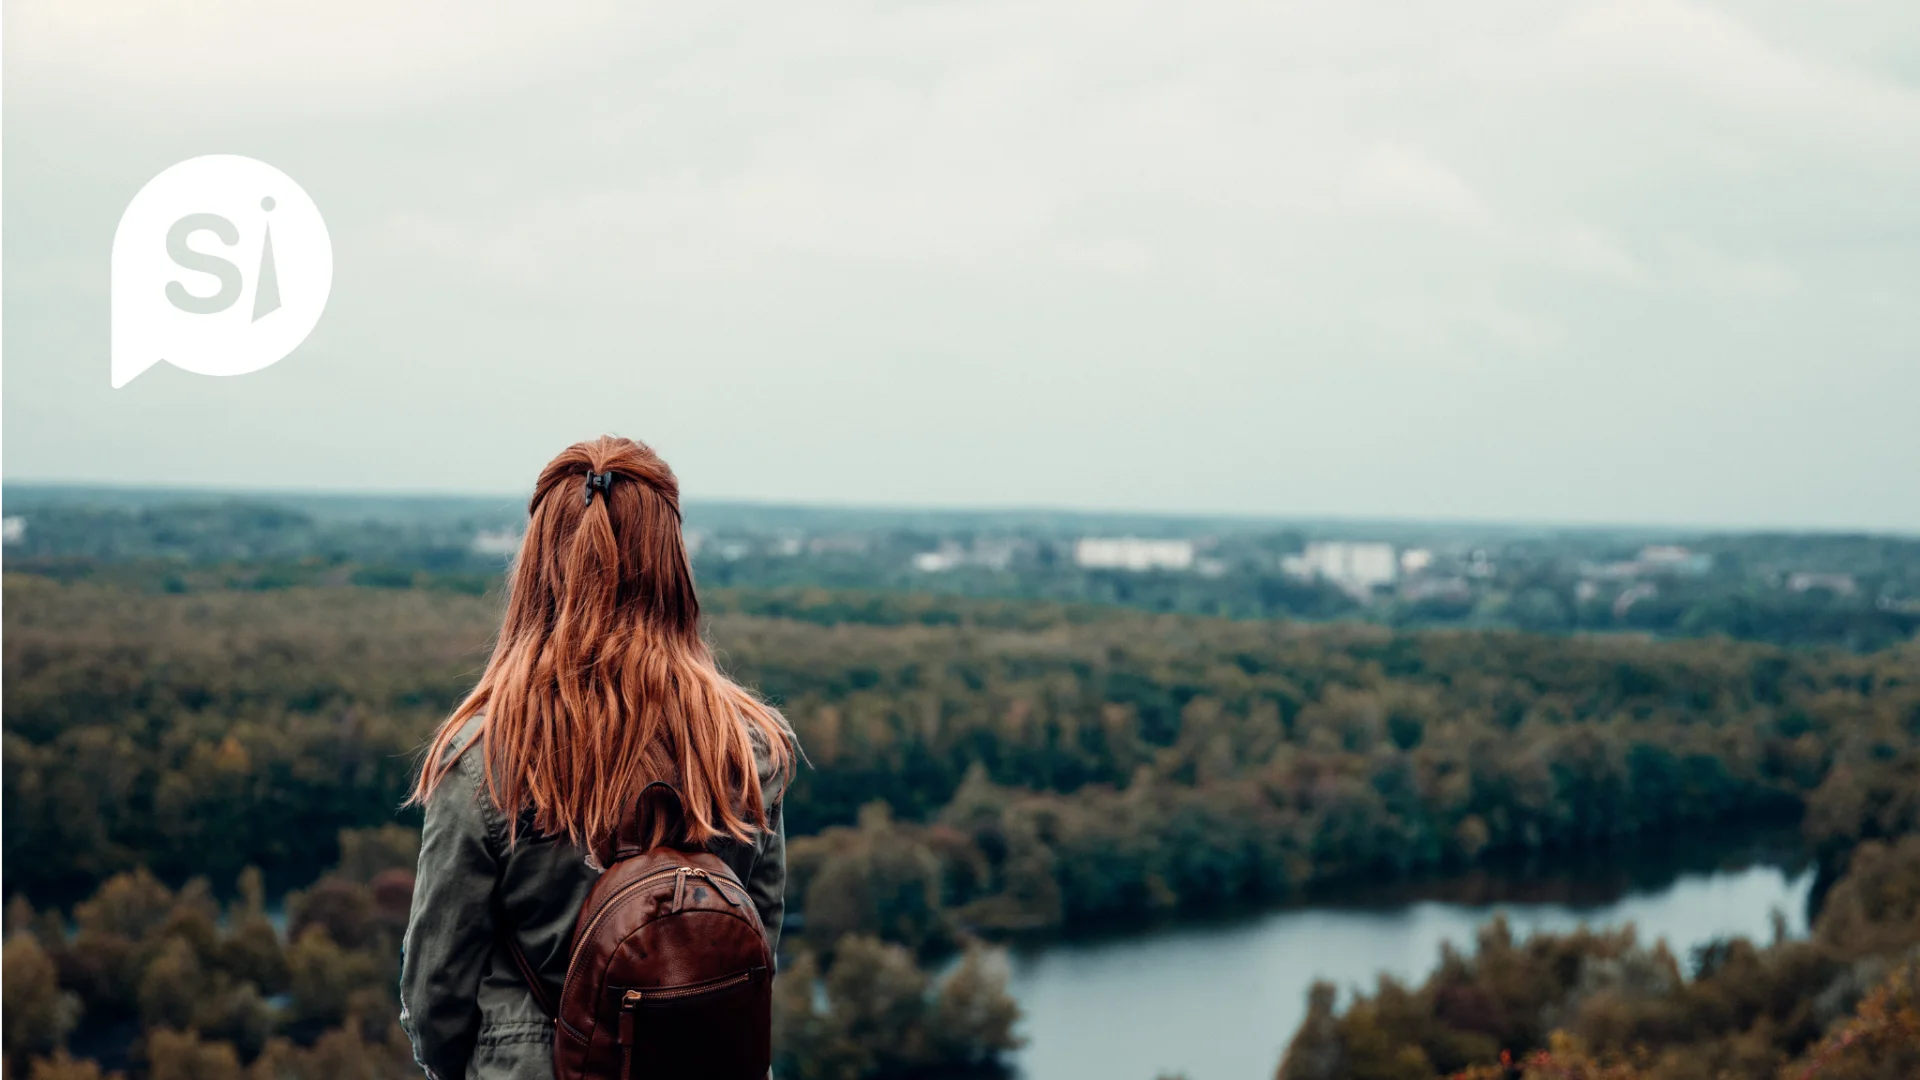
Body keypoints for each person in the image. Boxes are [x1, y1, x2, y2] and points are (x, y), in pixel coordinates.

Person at [399, 435, 796, 1080]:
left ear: (537, 567)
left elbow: (435, 993)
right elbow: (757, 946)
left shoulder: (487, 754)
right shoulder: (748, 744)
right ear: (673, 566)